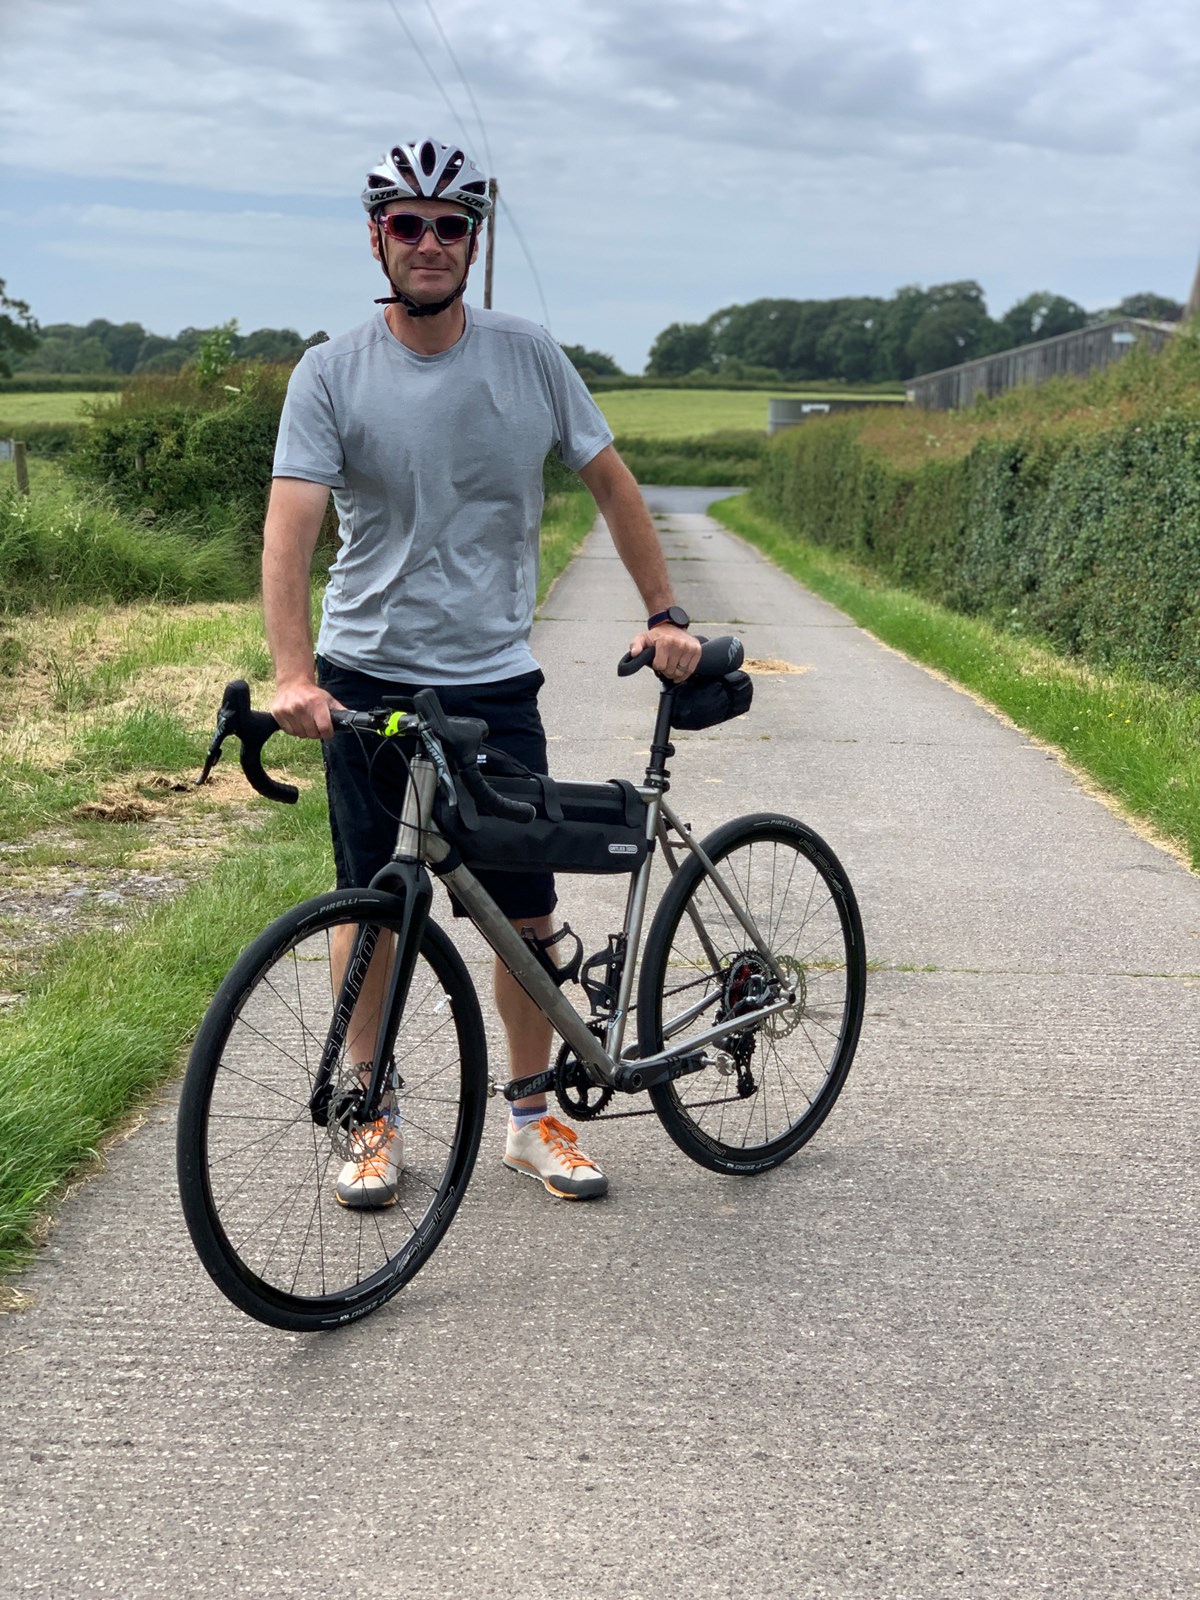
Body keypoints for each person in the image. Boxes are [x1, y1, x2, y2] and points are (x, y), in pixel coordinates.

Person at [263, 136, 699, 1209]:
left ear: (472, 242)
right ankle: (367, 1112)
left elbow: (611, 482)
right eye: (406, 224)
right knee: (371, 907)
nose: (427, 243)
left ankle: (531, 1110)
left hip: (494, 682)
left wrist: (666, 612)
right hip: (364, 675)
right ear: (377, 237)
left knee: (525, 908)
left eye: (448, 225)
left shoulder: (529, 356)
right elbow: (290, 532)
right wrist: (290, 673)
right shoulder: (331, 372)